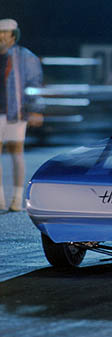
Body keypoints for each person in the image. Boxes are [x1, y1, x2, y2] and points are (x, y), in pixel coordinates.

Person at [0, 18, 43, 211]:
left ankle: (17, 198)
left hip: (16, 112)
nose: (1, 37)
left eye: (5, 33)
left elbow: (34, 84)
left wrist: (35, 110)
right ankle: (0, 198)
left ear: (13, 35)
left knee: (16, 152)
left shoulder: (24, 56)